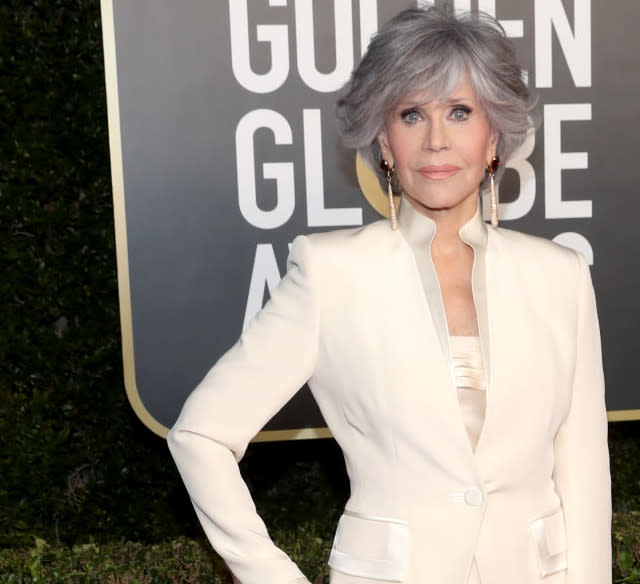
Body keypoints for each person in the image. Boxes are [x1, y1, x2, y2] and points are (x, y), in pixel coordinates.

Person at [168, 6, 610, 584]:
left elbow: (582, 475)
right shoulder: (330, 274)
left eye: (459, 111)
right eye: (410, 115)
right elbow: (200, 435)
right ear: (383, 139)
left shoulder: (561, 276)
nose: (435, 141)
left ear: (494, 132)